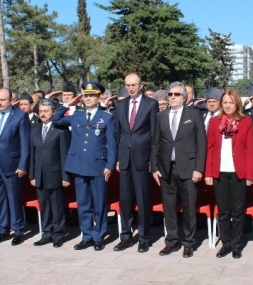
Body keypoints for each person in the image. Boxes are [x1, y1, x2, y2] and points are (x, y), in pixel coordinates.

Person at [52, 81, 117, 251]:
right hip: (79, 165)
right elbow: (56, 120)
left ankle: (98, 236)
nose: (88, 99)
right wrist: (67, 103)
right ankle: (86, 235)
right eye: (86, 96)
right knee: (83, 203)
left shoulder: (106, 118)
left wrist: (110, 165)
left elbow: (111, 144)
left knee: (99, 204)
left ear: (98, 97)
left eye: (92, 96)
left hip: (98, 166)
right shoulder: (76, 116)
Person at [151, 82, 206, 258]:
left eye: (176, 94)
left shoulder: (194, 114)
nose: (172, 97)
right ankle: (171, 242)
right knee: (169, 207)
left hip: (188, 169)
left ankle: (189, 243)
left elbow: (201, 144)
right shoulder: (161, 116)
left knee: (189, 208)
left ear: (184, 97)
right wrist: (154, 167)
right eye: (170, 94)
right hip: (166, 169)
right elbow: (155, 144)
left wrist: (198, 169)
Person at [205, 89, 253, 259]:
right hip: (219, 172)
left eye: (231, 102)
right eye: (225, 102)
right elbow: (209, 148)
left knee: (237, 211)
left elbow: (250, 150)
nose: (228, 105)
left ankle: (236, 245)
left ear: (237, 104)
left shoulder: (246, 122)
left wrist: (250, 175)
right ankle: (226, 243)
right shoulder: (214, 122)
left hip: (238, 173)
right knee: (224, 211)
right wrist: (208, 173)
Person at [113, 73, 158, 253]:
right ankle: (125, 236)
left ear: (141, 85)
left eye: (134, 85)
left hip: (142, 158)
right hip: (124, 158)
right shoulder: (120, 104)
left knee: (143, 199)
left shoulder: (151, 104)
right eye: (127, 85)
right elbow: (118, 134)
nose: (130, 88)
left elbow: (155, 135)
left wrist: (152, 161)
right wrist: (117, 157)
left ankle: (144, 238)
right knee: (124, 199)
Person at [0, 88, 31, 246]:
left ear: (11, 99)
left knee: (13, 199)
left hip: (12, 165)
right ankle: (3, 230)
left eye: (2, 100)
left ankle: (18, 230)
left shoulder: (20, 116)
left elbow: (25, 143)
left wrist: (23, 164)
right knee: (0, 200)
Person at [30, 99, 71, 248]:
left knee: (57, 206)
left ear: (54, 112)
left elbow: (64, 154)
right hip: (39, 175)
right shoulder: (34, 129)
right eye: (41, 111)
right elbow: (33, 154)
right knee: (44, 206)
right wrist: (32, 175)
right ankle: (46, 233)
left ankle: (58, 234)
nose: (43, 114)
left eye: (46, 111)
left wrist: (65, 176)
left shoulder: (61, 130)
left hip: (55, 174)